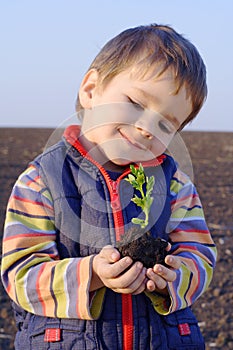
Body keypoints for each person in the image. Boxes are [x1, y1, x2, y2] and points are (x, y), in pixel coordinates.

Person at [1, 24, 217, 349]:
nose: (146, 128)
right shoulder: (41, 181)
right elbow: (21, 275)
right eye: (135, 103)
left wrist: (172, 278)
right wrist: (93, 274)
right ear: (91, 90)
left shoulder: (175, 186)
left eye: (165, 124)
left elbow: (199, 255)